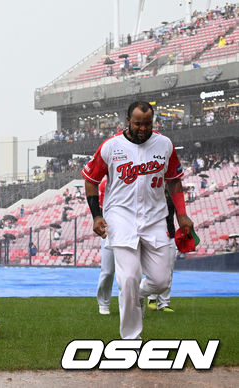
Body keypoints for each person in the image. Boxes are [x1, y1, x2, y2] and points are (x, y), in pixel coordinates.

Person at [83, 100, 194, 340]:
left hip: (155, 217)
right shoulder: (111, 147)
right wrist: (96, 215)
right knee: (129, 277)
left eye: (147, 123)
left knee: (161, 281)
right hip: (121, 217)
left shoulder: (164, 145)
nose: (142, 128)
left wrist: (182, 214)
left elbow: (174, 179)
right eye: (137, 124)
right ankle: (131, 339)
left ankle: (140, 295)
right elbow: (91, 180)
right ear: (127, 121)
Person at [148, 192, 177, 313]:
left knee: (168, 270)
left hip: (170, 235)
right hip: (153, 235)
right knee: (154, 269)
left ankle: (164, 303)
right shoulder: (150, 194)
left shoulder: (173, 195)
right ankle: (152, 298)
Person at [95, 177, 115, 315]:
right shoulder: (104, 184)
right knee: (107, 271)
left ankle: (133, 302)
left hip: (131, 230)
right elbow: (102, 210)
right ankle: (103, 303)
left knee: (132, 271)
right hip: (110, 231)